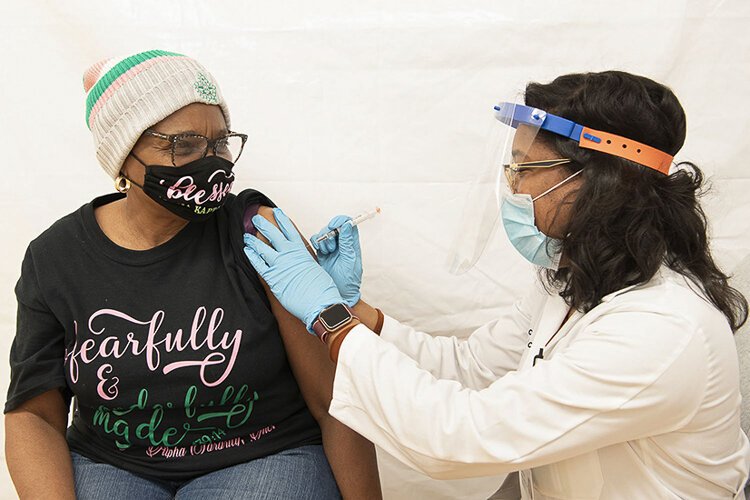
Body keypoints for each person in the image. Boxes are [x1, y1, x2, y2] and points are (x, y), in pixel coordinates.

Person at [243, 71, 750, 498]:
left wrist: (329, 319)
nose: (512, 186)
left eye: (525, 169)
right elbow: (474, 368)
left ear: (600, 181)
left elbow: (463, 437)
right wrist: (359, 313)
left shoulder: (662, 330)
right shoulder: (572, 285)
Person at [4, 49, 381, 499]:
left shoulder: (258, 231)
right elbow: (34, 415)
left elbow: (333, 398)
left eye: (221, 142)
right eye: (183, 145)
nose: (213, 162)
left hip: (263, 454)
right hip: (113, 463)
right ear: (124, 157)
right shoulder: (56, 258)